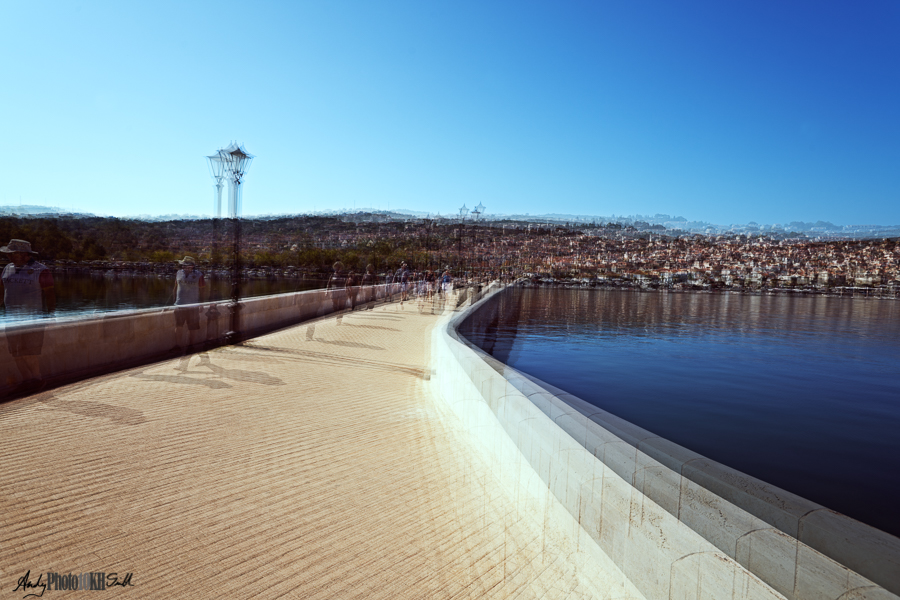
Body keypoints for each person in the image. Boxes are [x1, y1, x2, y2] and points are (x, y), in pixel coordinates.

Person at [0, 239, 55, 391]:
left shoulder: (41, 270)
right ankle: (26, 381)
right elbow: (1, 291)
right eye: (9, 254)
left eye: (12, 254)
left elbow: (50, 294)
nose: (9, 257)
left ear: (24, 254)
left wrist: (51, 315)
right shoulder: (7, 269)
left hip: (32, 320)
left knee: (30, 353)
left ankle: (37, 380)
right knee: (16, 354)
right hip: (11, 320)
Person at [172, 256, 206, 361]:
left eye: (187, 265)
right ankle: (178, 346)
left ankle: (191, 346)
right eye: (184, 265)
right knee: (178, 325)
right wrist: (173, 302)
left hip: (193, 305)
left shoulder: (199, 275)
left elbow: (203, 290)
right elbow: (175, 287)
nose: (185, 267)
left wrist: (201, 304)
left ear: (192, 266)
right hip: (179, 305)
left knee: (193, 327)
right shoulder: (178, 273)